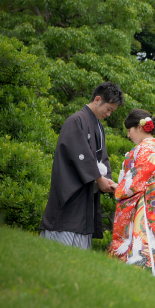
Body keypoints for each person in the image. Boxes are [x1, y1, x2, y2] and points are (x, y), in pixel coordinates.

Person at [40, 82, 123, 249]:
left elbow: (102, 159)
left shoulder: (98, 127)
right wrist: (99, 179)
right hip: (70, 197)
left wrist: (106, 180)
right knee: (57, 253)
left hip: (86, 197)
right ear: (97, 99)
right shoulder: (76, 120)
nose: (108, 114)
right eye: (108, 109)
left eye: (112, 111)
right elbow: (81, 156)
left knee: (78, 258)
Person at [108, 109, 155, 277]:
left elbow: (131, 186)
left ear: (139, 127)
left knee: (137, 250)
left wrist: (117, 187)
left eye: (129, 130)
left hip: (142, 210)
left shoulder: (142, 151)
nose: (129, 135)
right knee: (152, 248)